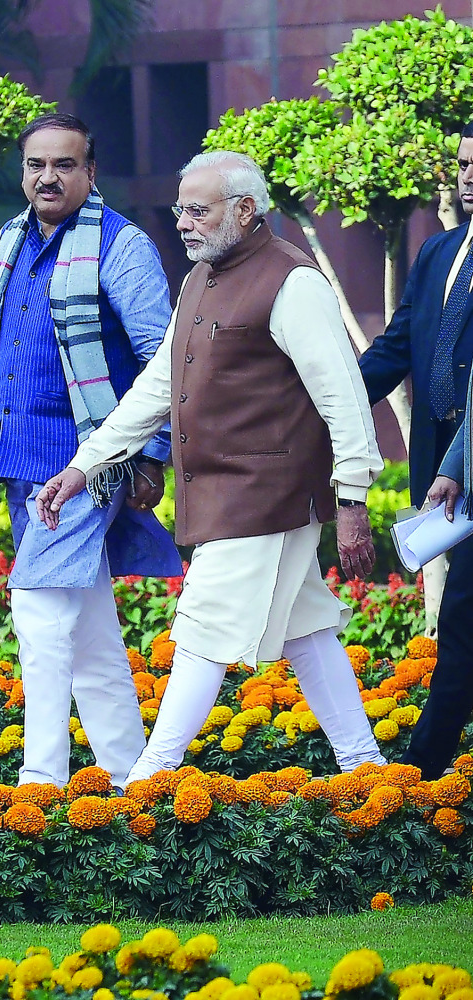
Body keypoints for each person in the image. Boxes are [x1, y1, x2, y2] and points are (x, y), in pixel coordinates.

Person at [35, 149, 388, 784]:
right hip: (229, 496)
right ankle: (366, 768)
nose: (183, 223)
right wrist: (85, 465)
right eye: (180, 211)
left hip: (266, 495)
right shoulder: (202, 276)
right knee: (307, 633)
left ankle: (148, 781)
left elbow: (342, 393)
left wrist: (354, 497)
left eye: (198, 210)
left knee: (199, 628)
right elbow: (157, 386)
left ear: (246, 210)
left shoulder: (292, 279)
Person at [0, 112, 182, 790]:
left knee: (35, 607)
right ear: (23, 172)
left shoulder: (121, 246)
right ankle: (127, 779)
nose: (48, 177)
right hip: (18, 461)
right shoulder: (9, 240)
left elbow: (161, 358)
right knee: (86, 632)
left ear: (91, 172)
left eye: (64, 165)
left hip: (87, 463)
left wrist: (153, 451)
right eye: (36, 165)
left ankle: (41, 781)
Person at [360, 121, 473, 780]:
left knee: (460, 617)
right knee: (460, 612)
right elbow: (396, 346)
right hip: (445, 474)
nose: (469, 175)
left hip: (463, 468)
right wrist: (323, 401)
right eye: (462, 162)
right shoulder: (438, 252)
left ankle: (421, 771)